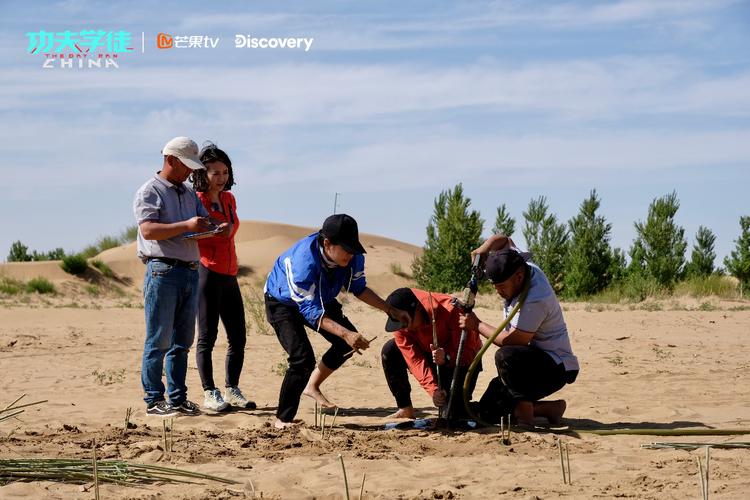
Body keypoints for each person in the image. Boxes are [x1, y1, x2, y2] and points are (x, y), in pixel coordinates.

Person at [264, 214, 411, 429]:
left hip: (320, 296)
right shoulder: (303, 261)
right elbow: (310, 311)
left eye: (353, 249)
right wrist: (346, 333)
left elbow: (358, 288)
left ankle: (312, 387)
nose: (350, 255)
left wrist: (390, 310)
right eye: (346, 249)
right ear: (327, 244)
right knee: (302, 358)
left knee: (345, 345)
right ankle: (282, 420)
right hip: (282, 301)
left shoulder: (353, 257)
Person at [133, 136, 227, 417]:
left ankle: (177, 397)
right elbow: (148, 230)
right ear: (170, 160)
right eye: (185, 165)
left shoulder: (187, 193)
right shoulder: (149, 191)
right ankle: (153, 399)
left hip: (189, 270)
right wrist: (187, 225)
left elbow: (199, 220)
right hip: (162, 270)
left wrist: (212, 226)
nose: (189, 172)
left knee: (182, 342)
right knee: (158, 340)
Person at [459, 234, 579, 427]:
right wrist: (484, 248)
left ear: (519, 277)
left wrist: (477, 324)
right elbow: (504, 239)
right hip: (529, 364)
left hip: (554, 367)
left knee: (506, 356)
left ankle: (526, 417)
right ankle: (550, 409)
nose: (498, 292)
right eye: (495, 287)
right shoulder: (517, 262)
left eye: (501, 286)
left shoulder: (535, 298)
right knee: (487, 411)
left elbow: (512, 341)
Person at [191, 143, 256, 412]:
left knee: (238, 336)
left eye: (225, 172)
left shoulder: (229, 199)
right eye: (214, 172)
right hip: (207, 271)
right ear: (202, 174)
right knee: (207, 336)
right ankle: (210, 392)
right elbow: (189, 236)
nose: (221, 177)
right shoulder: (195, 200)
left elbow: (232, 230)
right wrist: (214, 232)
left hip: (230, 273)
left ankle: (232, 389)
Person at [380, 287, 482, 419]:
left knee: (454, 414)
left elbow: (468, 352)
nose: (403, 327)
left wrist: (446, 356)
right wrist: (433, 390)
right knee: (390, 350)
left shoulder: (451, 309)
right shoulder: (399, 323)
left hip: (461, 361)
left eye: (405, 321)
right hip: (430, 356)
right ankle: (405, 408)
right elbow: (414, 360)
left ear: (417, 309)